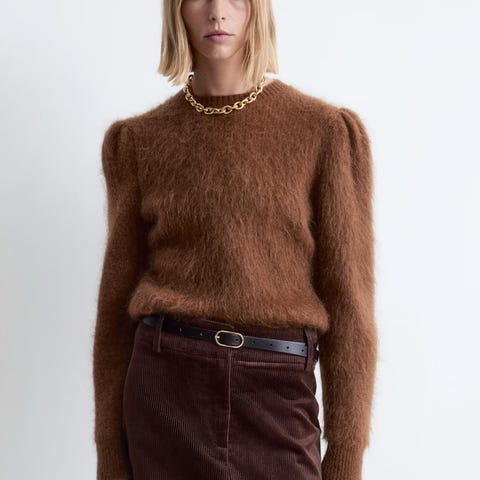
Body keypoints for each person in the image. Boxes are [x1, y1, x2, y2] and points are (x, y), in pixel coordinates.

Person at [92, 1, 378, 479]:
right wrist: (109, 450)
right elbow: (115, 308)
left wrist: (346, 454)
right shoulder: (139, 141)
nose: (217, 12)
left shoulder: (323, 132)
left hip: (277, 398)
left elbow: (349, 304)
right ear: (177, 11)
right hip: (165, 392)